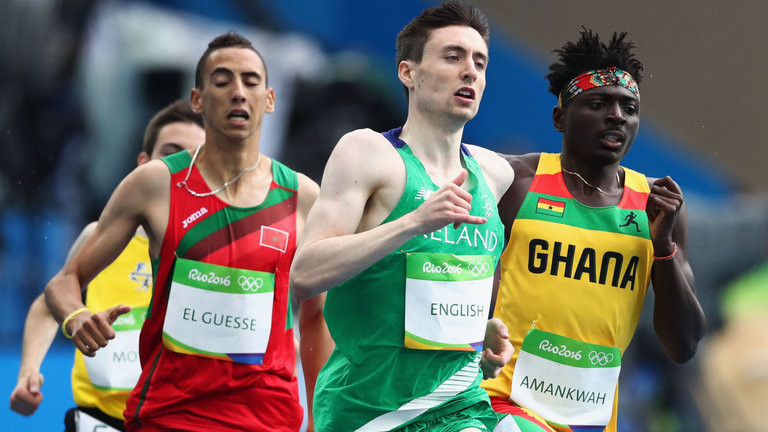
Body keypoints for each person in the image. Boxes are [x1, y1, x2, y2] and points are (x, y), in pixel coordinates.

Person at [45, 32, 331, 431]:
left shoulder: (302, 197)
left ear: (269, 99)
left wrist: (320, 419)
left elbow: (316, 318)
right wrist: (76, 317)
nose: (238, 92)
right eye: (222, 81)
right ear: (197, 99)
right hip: (170, 416)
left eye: (251, 82)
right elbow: (65, 280)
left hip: (268, 418)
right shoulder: (154, 184)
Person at [291, 2, 515, 431]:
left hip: (456, 402)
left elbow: (464, 277)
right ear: (408, 72)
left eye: (479, 62)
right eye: (453, 57)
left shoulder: (495, 174)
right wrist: (413, 222)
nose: (470, 72)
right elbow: (305, 274)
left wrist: (480, 330)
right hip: (368, 409)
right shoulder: (367, 153)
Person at [482, 28, 706, 431]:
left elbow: (683, 345)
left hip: (591, 420)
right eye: (599, 103)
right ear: (559, 118)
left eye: (629, 107)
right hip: (503, 401)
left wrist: (663, 247)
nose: (617, 115)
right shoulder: (516, 182)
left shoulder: (657, 205)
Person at [10, 98, 204, 431]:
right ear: (144, 164)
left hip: (182, 421)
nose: (180, 169)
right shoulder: (98, 239)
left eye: (195, 159)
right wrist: (29, 370)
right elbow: (47, 306)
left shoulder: (224, 249)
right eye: (170, 155)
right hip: (100, 420)